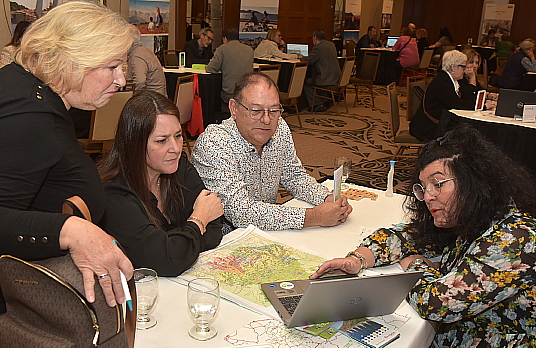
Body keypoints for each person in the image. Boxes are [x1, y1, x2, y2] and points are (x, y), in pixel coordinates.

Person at [312, 124, 536, 348]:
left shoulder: (515, 239)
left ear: (472, 182)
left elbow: (436, 304)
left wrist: (415, 263)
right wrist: (356, 260)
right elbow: (400, 236)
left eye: (437, 184)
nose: (428, 197)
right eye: (424, 188)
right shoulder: (471, 218)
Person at [0, 1, 134, 313]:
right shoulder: (32, 115)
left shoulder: (23, 86)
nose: (121, 80)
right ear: (70, 61)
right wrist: (73, 231)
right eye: (111, 67)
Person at [191, 72, 352, 234]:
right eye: (256, 110)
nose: (267, 120)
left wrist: (325, 197)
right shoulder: (214, 143)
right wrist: (313, 216)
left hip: (270, 229)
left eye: (274, 110)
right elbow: (239, 212)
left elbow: (294, 176)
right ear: (234, 108)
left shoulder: (279, 127)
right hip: (225, 239)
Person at [97, 91, 223, 276]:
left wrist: (178, 246)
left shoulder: (178, 167)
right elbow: (164, 260)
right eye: (162, 140)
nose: (175, 148)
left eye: (178, 136)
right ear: (135, 144)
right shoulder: (114, 194)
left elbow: (214, 228)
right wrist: (198, 219)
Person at [409, 50, 475, 142]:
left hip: (440, 123)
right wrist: (480, 107)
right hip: (427, 127)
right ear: (453, 67)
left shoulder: (455, 80)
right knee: (466, 136)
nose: (465, 70)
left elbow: (468, 96)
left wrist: (481, 104)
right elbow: (455, 104)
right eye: (463, 67)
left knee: (468, 132)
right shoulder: (442, 82)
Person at [206, 27, 254, 114]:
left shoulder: (223, 49)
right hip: (248, 92)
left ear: (225, 38)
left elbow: (211, 69)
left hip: (230, 93)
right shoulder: (249, 50)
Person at [300, 28, 341, 111]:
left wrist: (300, 58)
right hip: (336, 77)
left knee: (306, 83)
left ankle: (318, 104)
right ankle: (326, 100)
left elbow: (309, 61)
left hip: (326, 78)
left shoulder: (318, 47)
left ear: (315, 37)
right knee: (314, 81)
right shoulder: (331, 44)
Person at [126, 25, 166, 96]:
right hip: (158, 98)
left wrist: (132, 99)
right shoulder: (145, 51)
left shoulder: (136, 56)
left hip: (151, 101)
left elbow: (140, 82)